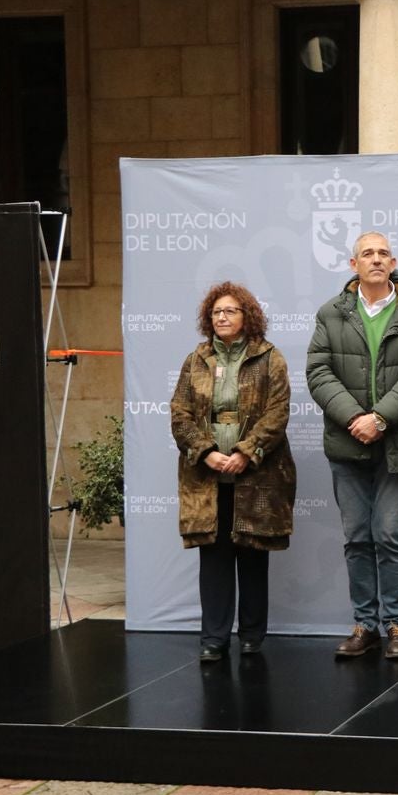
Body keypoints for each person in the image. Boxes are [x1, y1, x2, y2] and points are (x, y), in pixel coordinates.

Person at [307, 231, 398, 659]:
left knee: (387, 533)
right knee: (357, 536)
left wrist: (380, 418)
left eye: (383, 253)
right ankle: (365, 625)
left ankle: (397, 625)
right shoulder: (330, 314)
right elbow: (318, 372)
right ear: (354, 265)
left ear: (394, 261)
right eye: (368, 253)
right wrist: (354, 419)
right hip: (347, 442)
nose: (376, 259)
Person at [170, 281, 297, 663]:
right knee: (215, 558)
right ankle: (214, 638)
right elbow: (180, 413)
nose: (222, 317)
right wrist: (205, 451)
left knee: (253, 554)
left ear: (248, 316)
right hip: (207, 477)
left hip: (257, 474)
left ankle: (252, 637)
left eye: (230, 311)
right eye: (216, 312)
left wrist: (247, 451)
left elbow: (278, 412)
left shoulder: (269, 358)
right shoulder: (196, 360)